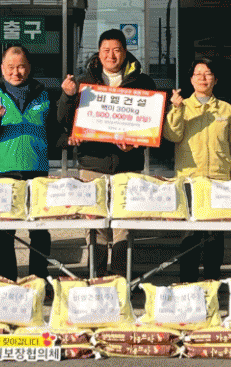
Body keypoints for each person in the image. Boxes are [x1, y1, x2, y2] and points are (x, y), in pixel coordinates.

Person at [58, 28, 156, 277]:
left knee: (124, 226)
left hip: (128, 165)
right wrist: (67, 96)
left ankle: (121, 280)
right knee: (95, 225)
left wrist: (136, 143)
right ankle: (97, 278)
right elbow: (64, 120)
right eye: (106, 50)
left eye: (116, 50)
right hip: (93, 164)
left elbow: (153, 126)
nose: (111, 55)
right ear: (99, 53)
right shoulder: (84, 83)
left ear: (125, 52)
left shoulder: (143, 82)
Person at [163, 58, 231, 282]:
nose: (202, 78)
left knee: (215, 238)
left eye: (208, 73)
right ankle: (187, 286)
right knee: (190, 237)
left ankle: (212, 285)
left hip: (219, 181)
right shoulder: (182, 106)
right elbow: (172, 135)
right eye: (198, 73)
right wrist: (176, 109)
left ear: (215, 79)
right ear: (191, 79)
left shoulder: (227, 110)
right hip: (190, 181)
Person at [0, 45, 54, 282]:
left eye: (20, 67)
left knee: (39, 230)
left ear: (29, 68)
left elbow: (56, 131)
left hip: (37, 170)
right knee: (4, 232)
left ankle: (38, 278)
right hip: (4, 172)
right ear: (2, 68)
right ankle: (7, 279)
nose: (15, 72)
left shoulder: (44, 97)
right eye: (10, 67)